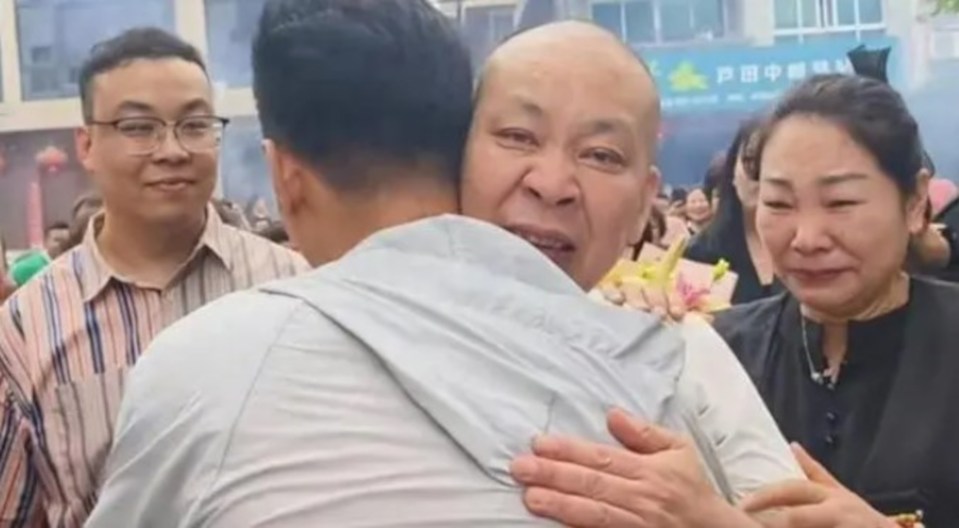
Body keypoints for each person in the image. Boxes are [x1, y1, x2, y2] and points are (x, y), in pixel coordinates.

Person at [88, 6, 798, 527]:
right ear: (457, 150)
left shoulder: (681, 367)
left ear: (646, 198)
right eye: (517, 136)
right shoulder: (241, 361)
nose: (552, 182)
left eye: (601, 155)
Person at [0, 27, 307, 527]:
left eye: (194, 124)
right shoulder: (26, 327)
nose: (172, 150)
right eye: (139, 128)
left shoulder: (288, 286)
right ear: (87, 144)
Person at [711, 74, 959, 525]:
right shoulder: (721, 354)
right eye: (780, 204)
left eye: (840, 202)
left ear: (915, 201)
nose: (806, 239)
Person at [685, 120, 783, 304]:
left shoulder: (808, 246)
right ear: (732, 173)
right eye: (751, 162)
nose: (760, 176)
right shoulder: (700, 251)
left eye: (772, 163)